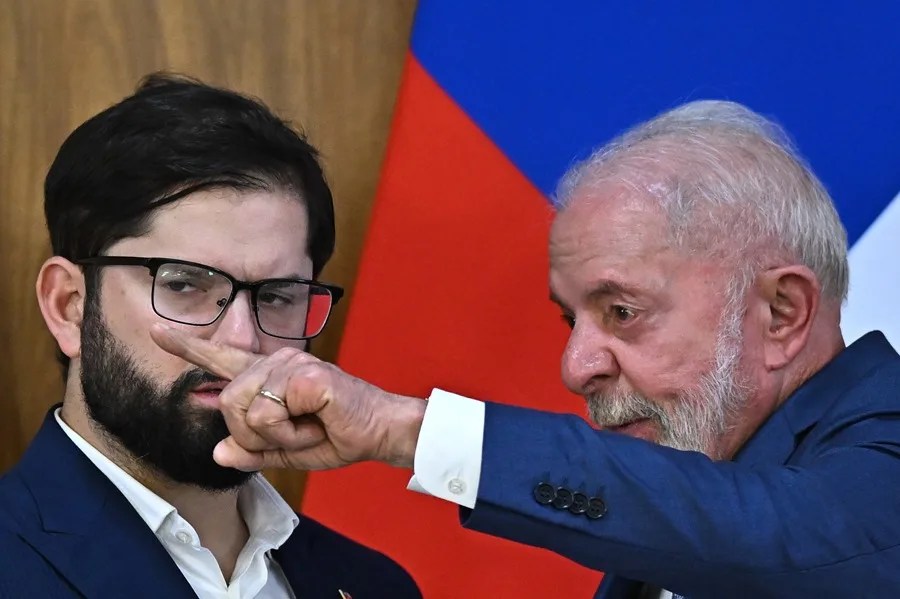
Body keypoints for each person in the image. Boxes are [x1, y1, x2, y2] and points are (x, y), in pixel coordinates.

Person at [153, 100, 900, 598]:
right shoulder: (685, 488)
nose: (576, 367)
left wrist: (403, 429)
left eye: (623, 310)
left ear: (781, 312)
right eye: (572, 319)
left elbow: (777, 535)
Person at [0, 74, 421, 599]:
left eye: (277, 296)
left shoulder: (375, 584)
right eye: (184, 285)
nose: (242, 339)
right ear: (69, 307)